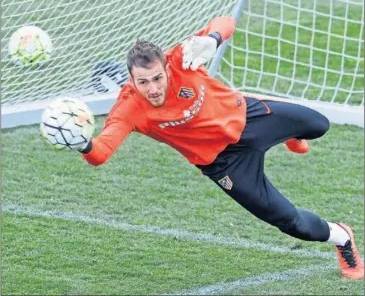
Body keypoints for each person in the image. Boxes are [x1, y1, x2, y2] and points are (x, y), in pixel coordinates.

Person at [75, 16, 364, 280]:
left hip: (248, 118)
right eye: (143, 82)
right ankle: (342, 238)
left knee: (319, 125)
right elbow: (100, 154)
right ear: (131, 79)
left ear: (166, 67)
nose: (152, 89)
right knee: (291, 222)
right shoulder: (128, 108)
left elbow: (226, 22)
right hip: (224, 164)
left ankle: (287, 134)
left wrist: (212, 39)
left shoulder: (183, 57)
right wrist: (81, 142)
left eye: (157, 78)